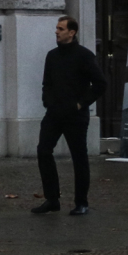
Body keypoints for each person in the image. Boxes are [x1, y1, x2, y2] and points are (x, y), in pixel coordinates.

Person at [32, 16, 106, 216]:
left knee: (79, 157)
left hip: (75, 116)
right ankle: (52, 198)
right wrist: (47, 101)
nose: (56, 32)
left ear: (72, 32)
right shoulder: (52, 56)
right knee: (43, 151)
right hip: (54, 113)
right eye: (56, 28)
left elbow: (100, 83)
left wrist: (81, 103)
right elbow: (46, 83)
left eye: (61, 28)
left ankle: (81, 202)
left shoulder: (84, 55)